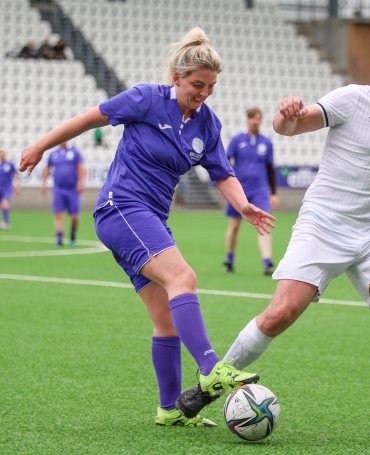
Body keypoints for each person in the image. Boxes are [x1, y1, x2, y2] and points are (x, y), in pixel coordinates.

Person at [177, 43, 370, 444]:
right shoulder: (352, 99)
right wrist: (285, 114)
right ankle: (210, 384)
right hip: (322, 224)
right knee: (280, 314)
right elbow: (290, 127)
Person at [20, 27, 275, 428]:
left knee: (166, 320)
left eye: (211, 86)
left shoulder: (207, 124)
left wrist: (243, 204)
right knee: (183, 277)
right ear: (176, 78)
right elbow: (88, 119)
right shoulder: (145, 99)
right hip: (119, 209)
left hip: (149, 219)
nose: (204, 92)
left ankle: (169, 409)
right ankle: (212, 367)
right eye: (197, 84)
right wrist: (40, 146)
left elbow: (223, 173)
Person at [223, 107, 279, 275]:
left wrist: (274, 193)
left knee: (263, 224)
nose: (255, 122)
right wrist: (224, 185)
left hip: (260, 190)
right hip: (239, 190)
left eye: (258, 119)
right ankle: (229, 260)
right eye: (253, 119)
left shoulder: (267, 143)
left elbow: (270, 169)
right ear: (248, 120)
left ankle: (267, 263)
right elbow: (225, 161)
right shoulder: (236, 140)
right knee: (234, 225)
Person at [41, 141, 86, 247]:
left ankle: (73, 234)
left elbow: (81, 168)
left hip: (72, 189)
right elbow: (47, 168)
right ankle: (59, 239)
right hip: (58, 189)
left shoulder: (75, 152)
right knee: (58, 214)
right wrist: (43, 183)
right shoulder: (53, 154)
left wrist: (80, 182)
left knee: (74, 216)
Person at [0, 150, 20, 230]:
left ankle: (6, 222)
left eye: (2, 154)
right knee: (1, 204)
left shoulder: (9, 164)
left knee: (5, 203)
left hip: (7, 187)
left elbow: (16, 173)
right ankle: (4, 221)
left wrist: (17, 185)